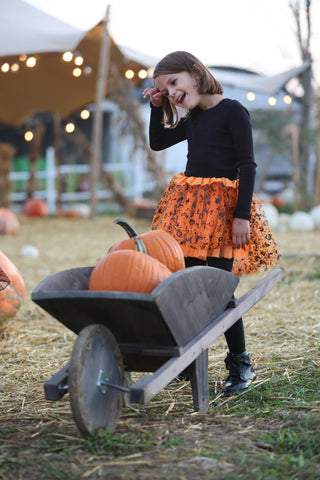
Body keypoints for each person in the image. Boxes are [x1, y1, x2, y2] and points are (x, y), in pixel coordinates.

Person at [143, 51, 280, 396]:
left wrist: (241, 216)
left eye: (174, 83)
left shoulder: (233, 111)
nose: (172, 93)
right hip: (190, 214)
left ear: (194, 72)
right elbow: (157, 142)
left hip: (224, 214)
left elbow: (247, 166)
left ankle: (240, 363)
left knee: (219, 290)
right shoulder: (193, 119)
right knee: (187, 284)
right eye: (165, 89)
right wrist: (156, 106)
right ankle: (189, 360)